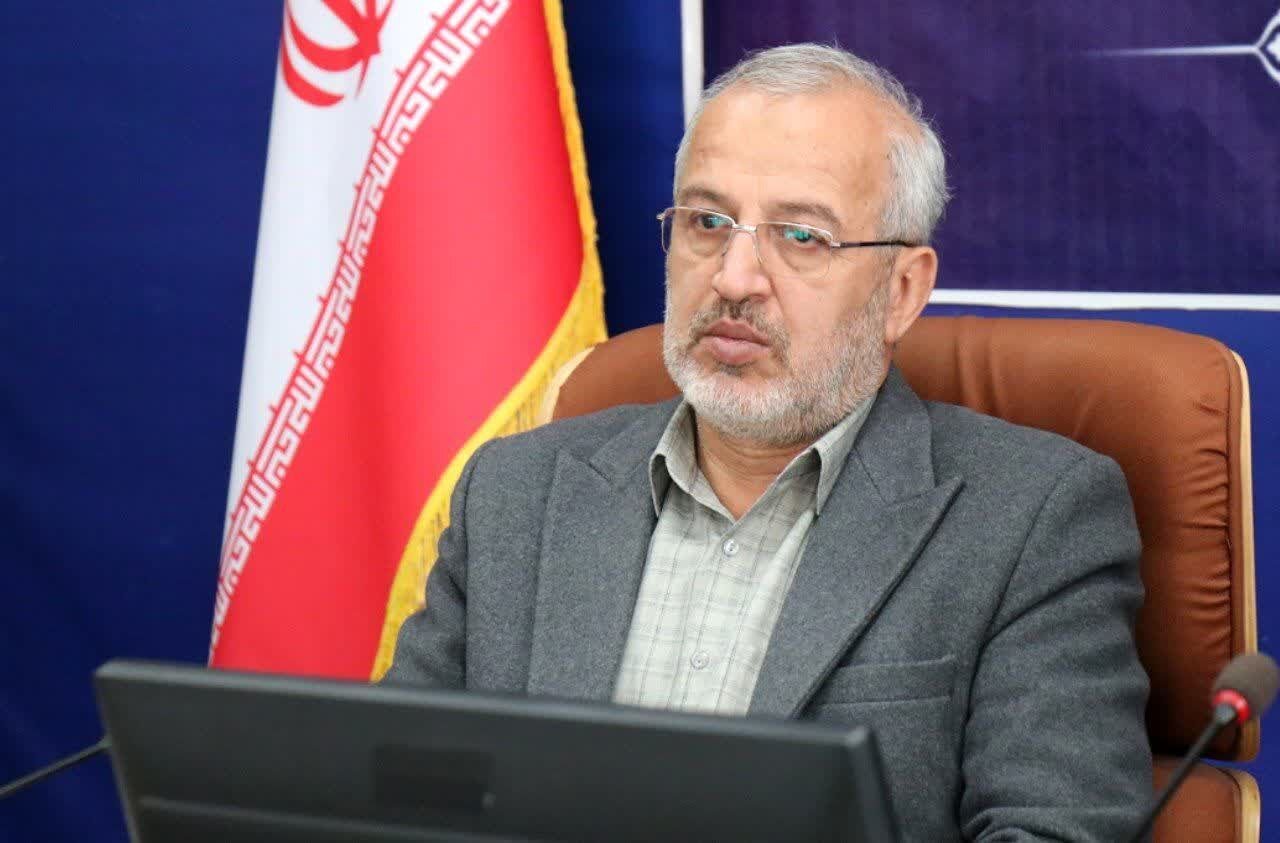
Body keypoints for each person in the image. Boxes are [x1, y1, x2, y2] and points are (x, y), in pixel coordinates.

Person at [386, 43, 1151, 840]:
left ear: (901, 290)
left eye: (801, 236)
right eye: (707, 222)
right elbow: (393, 799)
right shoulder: (516, 493)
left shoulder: (1031, 520)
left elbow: (1054, 829)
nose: (734, 278)